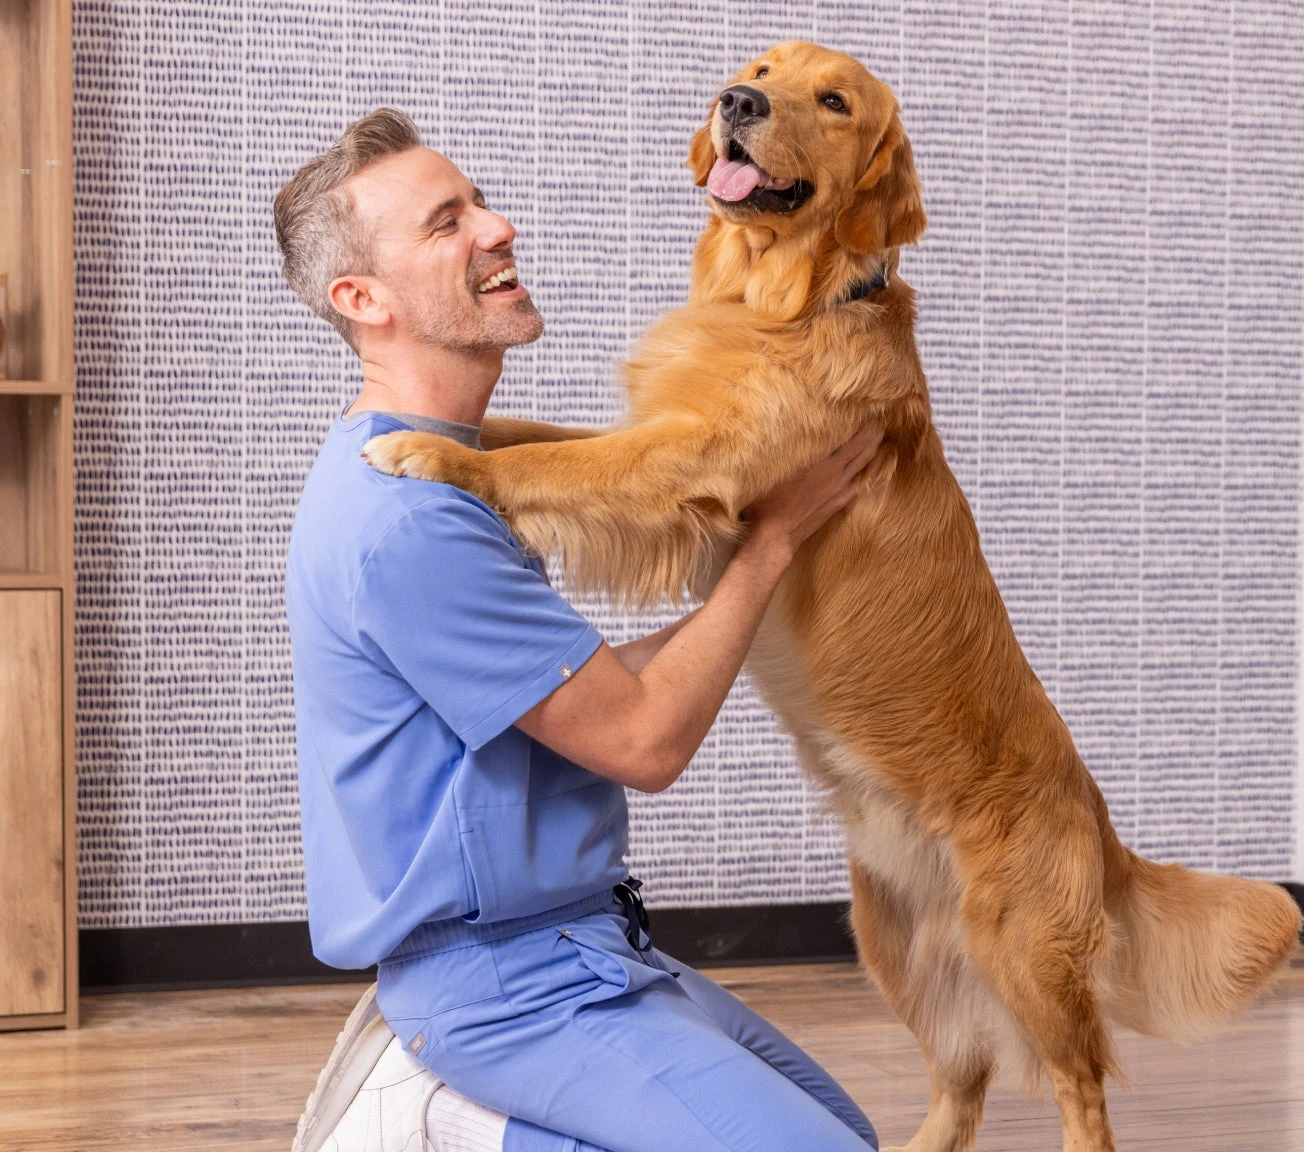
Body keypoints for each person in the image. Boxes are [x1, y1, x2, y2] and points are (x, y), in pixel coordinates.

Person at [276, 107, 883, 1152]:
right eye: (445, 223)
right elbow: (643, 740)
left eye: (479, 202)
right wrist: (773, 544)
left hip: (587, 946)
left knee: (846, 1134)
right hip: (509, 986)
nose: (498, 227)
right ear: (361, 299)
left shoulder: (439, 478)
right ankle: (451, 1118)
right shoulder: (407, 520)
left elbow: (591, 693)